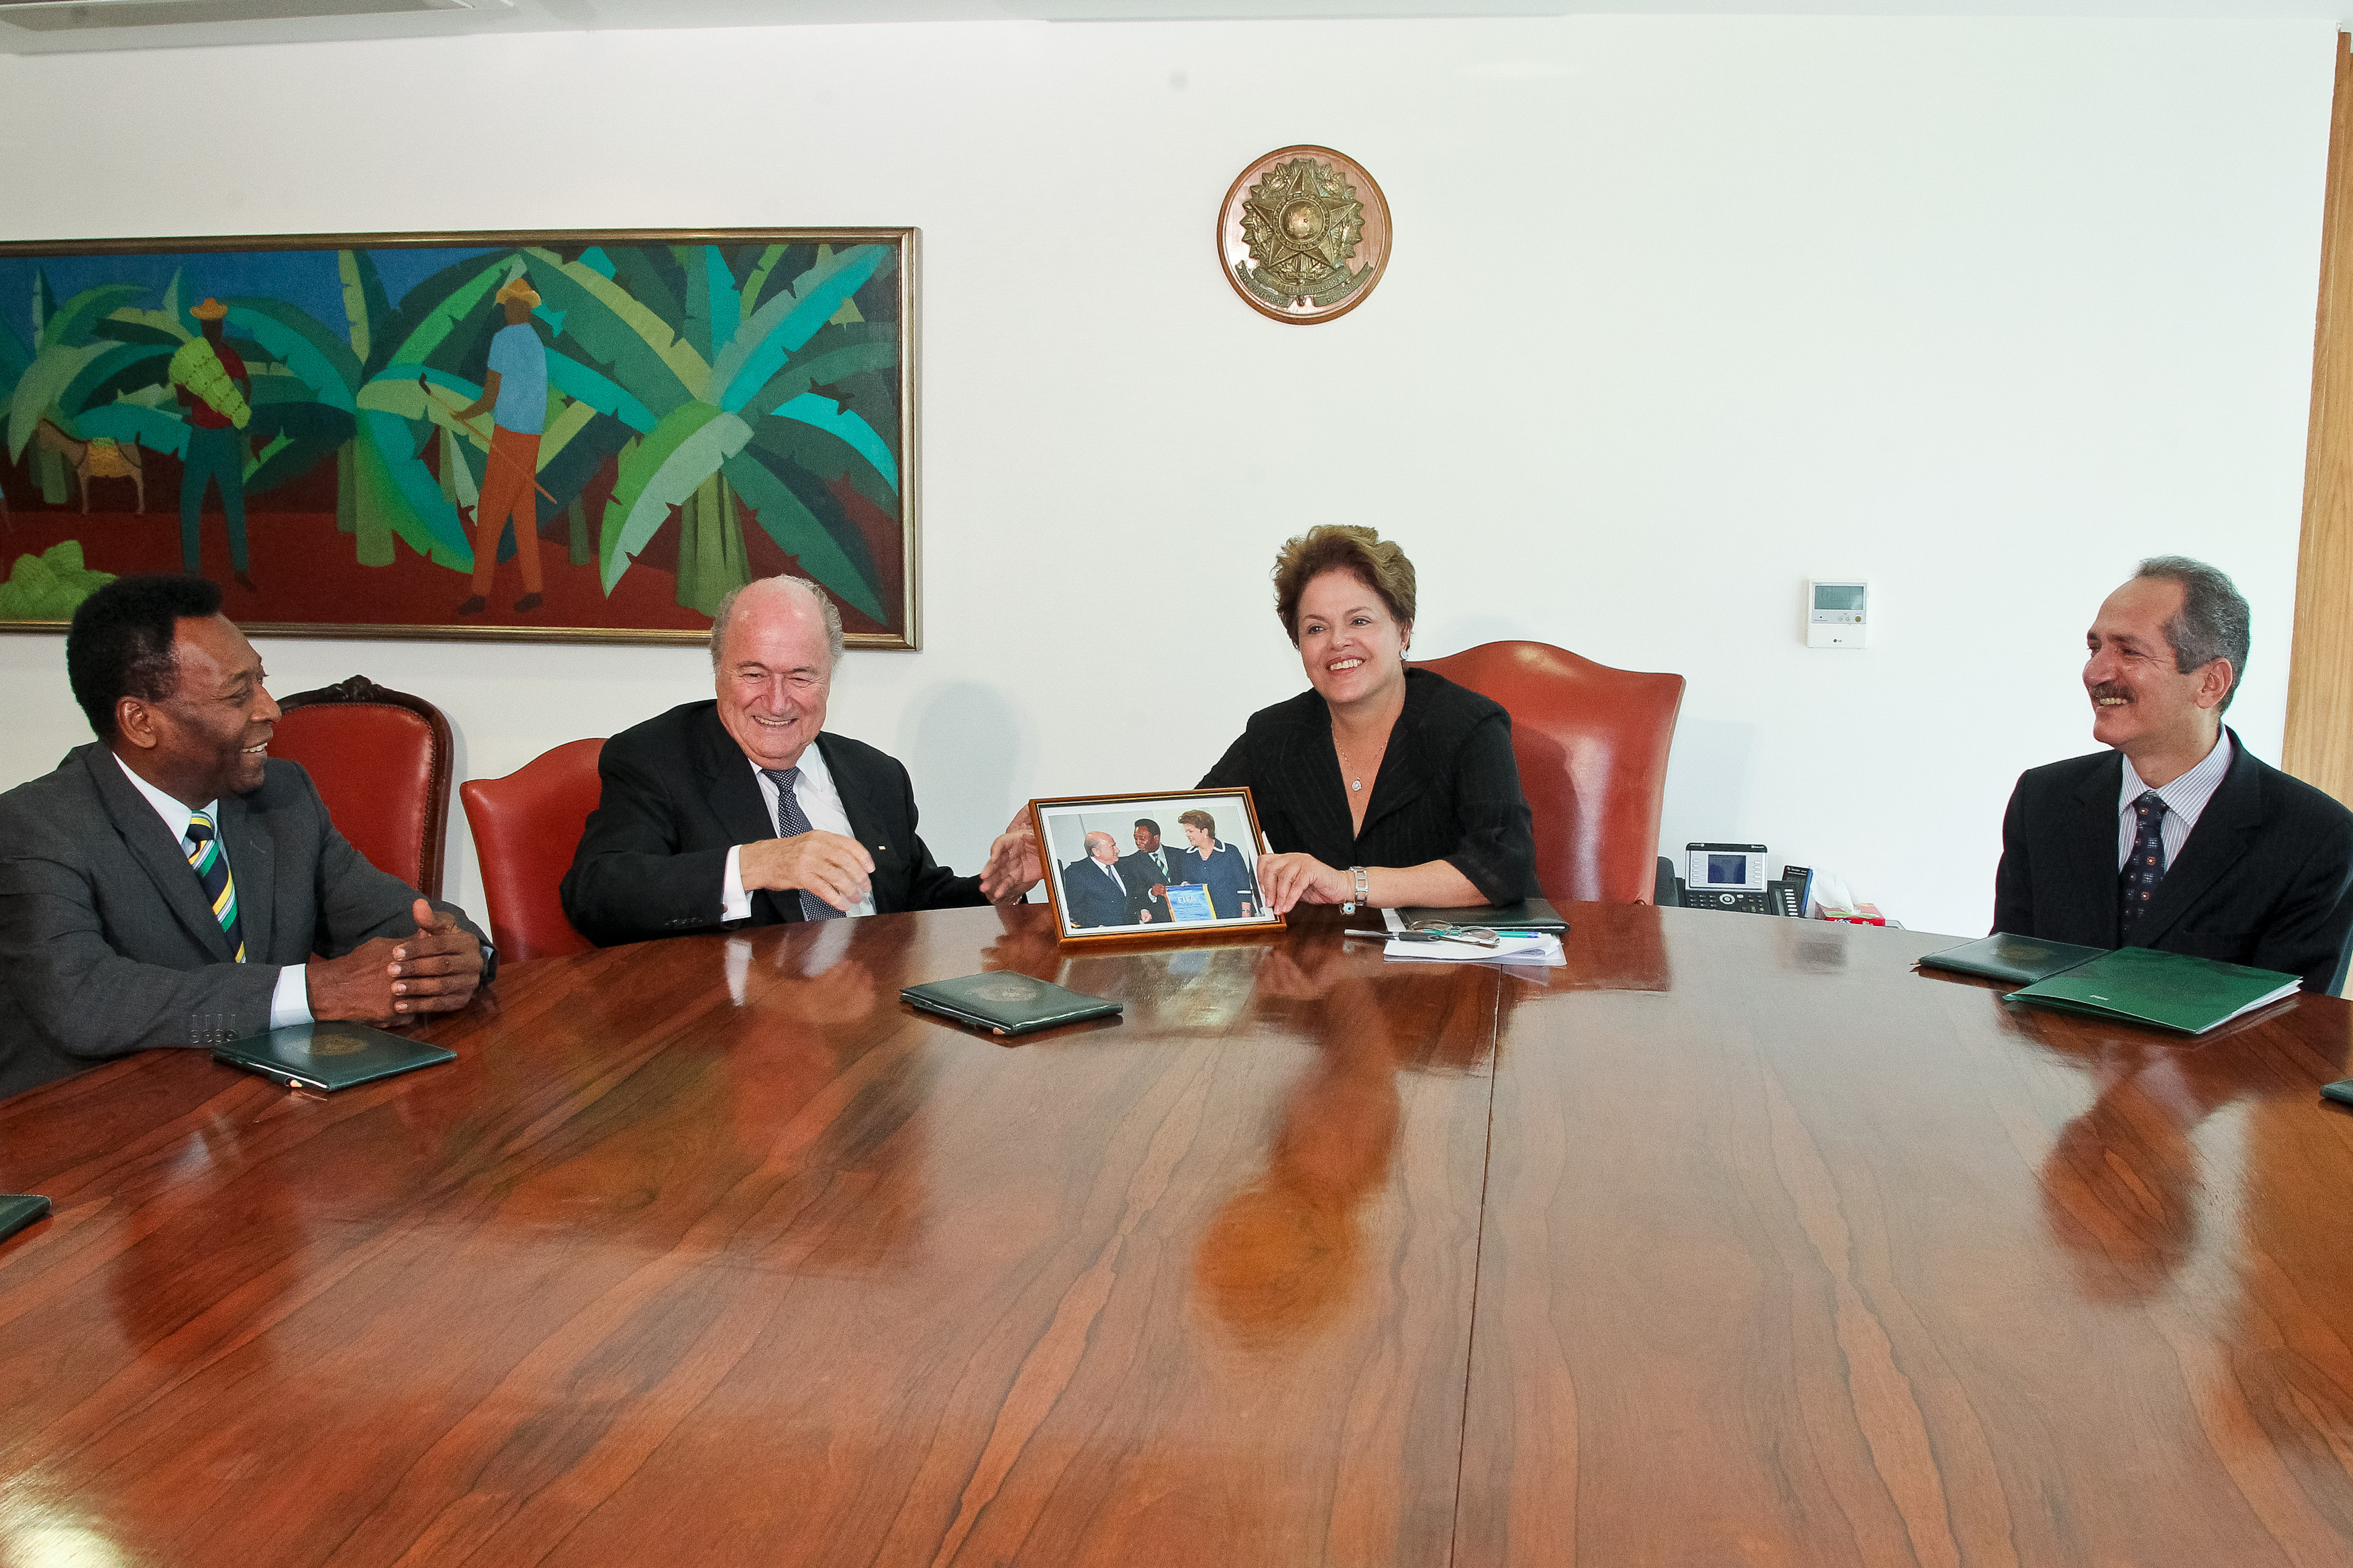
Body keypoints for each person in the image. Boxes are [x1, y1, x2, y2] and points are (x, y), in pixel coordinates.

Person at [0, 576, 493, 1100]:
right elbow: (84, 1002)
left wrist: (456, 955)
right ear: (140, 721)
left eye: (261, 680)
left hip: (253, 1121)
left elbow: (393, 913)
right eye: (239, 694)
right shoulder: (37, 826)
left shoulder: (284, 796)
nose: (270, 709)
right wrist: (314, 991)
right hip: (94, 1139)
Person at [561, 574, 1035, 944]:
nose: (777, 701)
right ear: (718, 672)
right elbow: (598, 894)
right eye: (754, 673)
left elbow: (912, 903)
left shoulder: (876, 775)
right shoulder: (654, 759)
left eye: (801, 677)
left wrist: (999, 890)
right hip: (738, 1042)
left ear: (830, 678)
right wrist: (755, 864)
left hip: (872, 1025)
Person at [1992, 556, 2353, 993]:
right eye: (2095, 648)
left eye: (2129, 651)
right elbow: (2006, 982)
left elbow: (2292, 1038)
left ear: (2210, 684)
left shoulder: (2317, 838)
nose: (2095, 672)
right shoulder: (2042, 800)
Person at [1198, 525, 1538, 914]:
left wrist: (1349, 884)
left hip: (1457, 965)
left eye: (1359, 621)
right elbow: (1196, 823)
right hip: (1326, 965)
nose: (1337, 641)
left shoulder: (1469, 726)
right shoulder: (1273, 735)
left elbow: (1503, 866)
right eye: (1316, 628)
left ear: (1403, 629)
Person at [452, 274, 549, 617]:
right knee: (523, 516)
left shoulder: (503, 339)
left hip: (509, 436)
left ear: (519, 308)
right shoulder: (536, 343)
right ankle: (534, 588)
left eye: (511, 305)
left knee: (490, 516)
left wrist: (464, 414)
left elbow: (490, 397)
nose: (508, 310)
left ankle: (479, 593)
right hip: (531, 439)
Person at [168, 297, 254, 592]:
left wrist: (236, 406)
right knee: (190, 503)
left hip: (227, 437)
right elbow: (181, 399)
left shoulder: (230, 357)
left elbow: (246, 384)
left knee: (234, 502)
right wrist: (198, 392)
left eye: (216, 324)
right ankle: (192, 571)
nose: (212, 330)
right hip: (201, 436)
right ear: (202, 327)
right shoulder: (190, 360)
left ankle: (241, 569)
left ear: (220, 326)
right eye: (207, 325)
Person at [1170, 808, 1260, 919]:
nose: (1187, 835)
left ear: (1205, 831)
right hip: (1205, 917)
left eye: (1191, 831)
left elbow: (1243, 886)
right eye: (1186, 831)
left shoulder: (1229, 851)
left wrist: (1246, 916)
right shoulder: (1187, 856)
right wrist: (1186, 885)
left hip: (1234, 914)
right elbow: (1188, 880)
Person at [1062, 831, 1136, 929]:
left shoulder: (1124, 865)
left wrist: (1143, 909)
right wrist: (1097, 927)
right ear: (1096, 852)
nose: (1118, 850)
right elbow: (1074, 908)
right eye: (1112, 847)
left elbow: (1135, 894)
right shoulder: (1076, 872)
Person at [1117, 818, 1181, 924]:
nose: (1138, 842)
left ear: (1156, 838)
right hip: (1159, 921)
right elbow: (1134, 896)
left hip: (1186, 917)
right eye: (1136, 838)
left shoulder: (1178, 854)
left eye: (1142, 838)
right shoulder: (1130, 863)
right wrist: (1151, 893)